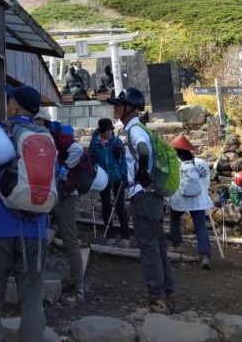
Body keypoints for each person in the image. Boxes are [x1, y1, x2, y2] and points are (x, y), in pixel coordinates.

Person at [0, 84, 53, 342]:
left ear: (16, 106)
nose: (7, 103)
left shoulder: (1, 131)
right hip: (36, 229)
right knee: (32, 301)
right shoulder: (47, 136)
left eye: (9, 100)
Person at [109, 88, 176, 312]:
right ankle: (167, 293)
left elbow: (143, 148)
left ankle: (156, 297)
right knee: (157, 246)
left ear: (130, 107)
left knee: (148, 247)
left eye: (119, 104)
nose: (115, 107)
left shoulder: (135, 129)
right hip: (152, 196)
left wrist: (142, 175)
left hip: (143, 195)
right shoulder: (138, 127)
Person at [35, 109, 85, 303]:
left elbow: (78, 150)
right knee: (64, 235)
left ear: (42, 121)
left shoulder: (53, 137)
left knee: (69, 237)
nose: (35, 123)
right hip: (56, 192)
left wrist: (65, 170)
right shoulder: (50, 135)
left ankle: (77, 287)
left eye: (37, 120)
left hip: (63, 194)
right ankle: (73, 279)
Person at [168, 134, 215, 269]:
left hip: (180, 199)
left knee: (175, 219)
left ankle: (178, 245)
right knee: (200, 226)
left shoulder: (175, 164)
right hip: (198, 199)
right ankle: (205, 255)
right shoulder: (201, 163)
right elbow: (206, 181)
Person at [89, 118, 130, 246]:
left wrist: (124, 173)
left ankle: (125, 236)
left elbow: (123, 159)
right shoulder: (95, 143)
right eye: (107, 131)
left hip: (117, 176)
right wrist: (94, 174)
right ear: (101, 131)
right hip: (103, 178)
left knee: (120, 207)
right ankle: (110, 235)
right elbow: (91, 159)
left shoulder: (117, 142)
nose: (109, 133)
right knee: (106, 206)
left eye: (110, 130)